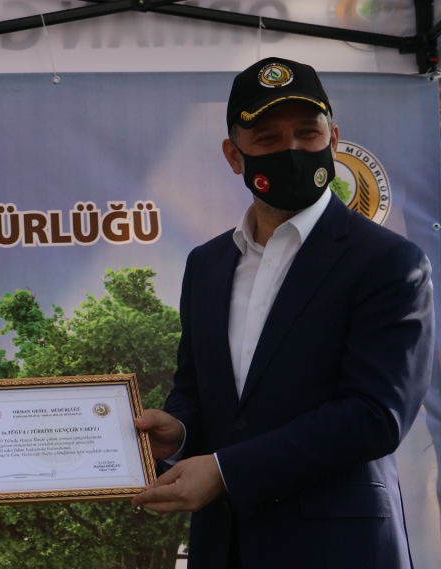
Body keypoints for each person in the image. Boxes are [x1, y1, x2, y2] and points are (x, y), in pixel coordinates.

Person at [132, 57, 434, 569]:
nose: (292, 150)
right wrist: (178, 431)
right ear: (234, 156)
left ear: (333, 138)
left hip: (340, 551)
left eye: (307, 133)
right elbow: (196, 387)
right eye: (268, 138)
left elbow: (375, 416)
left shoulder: (388, 261)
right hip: (224, 547)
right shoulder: (206, 264)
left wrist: (225, 471)